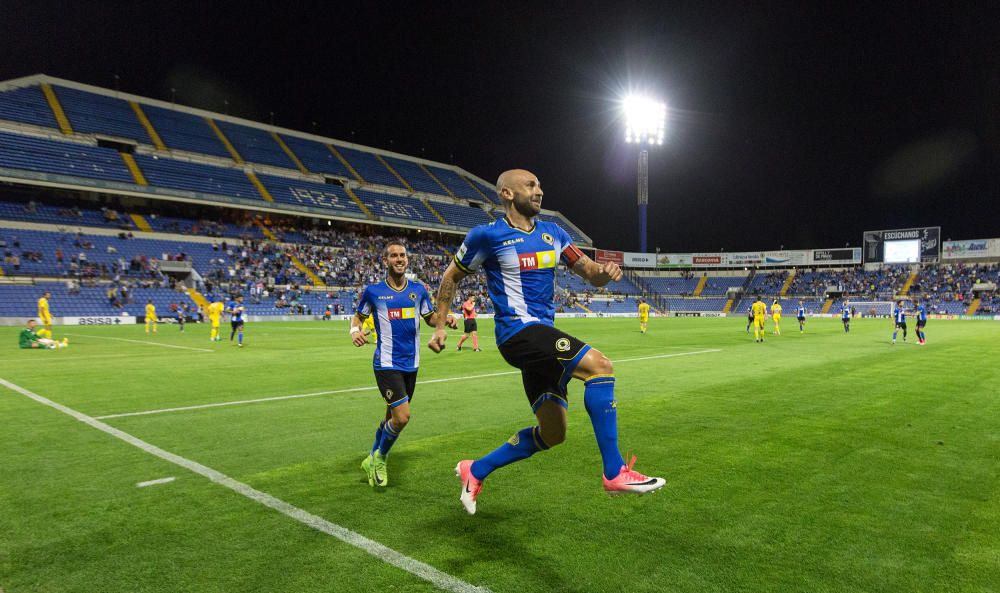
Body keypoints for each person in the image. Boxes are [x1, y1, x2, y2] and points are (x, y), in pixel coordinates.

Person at [428, 169, 665, 515]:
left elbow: (588, 272)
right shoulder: (487, 236)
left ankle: (475, 469)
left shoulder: (554, 233)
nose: (539, 190)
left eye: (540, 184)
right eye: (531, 185)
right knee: (600, 367)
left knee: (553, 433)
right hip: (517, 333)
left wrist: (605, 273)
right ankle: (615, 472)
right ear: (507, 194)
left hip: (541, 338)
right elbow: (451, 276)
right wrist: (438, 323)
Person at [352, 241, 455, 488]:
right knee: (402, 417)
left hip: (412, 364)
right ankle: (380, 458)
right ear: (385, 261)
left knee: (391, 415)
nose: (399, 259)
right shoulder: (374, 292)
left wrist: (445, 318)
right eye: (394, 256)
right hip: (387, 363)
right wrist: (354, 330)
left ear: (407, 260)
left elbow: (430, 318)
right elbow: (359, 316)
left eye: (403, 255)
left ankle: (371, 457)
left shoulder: (418, 290)